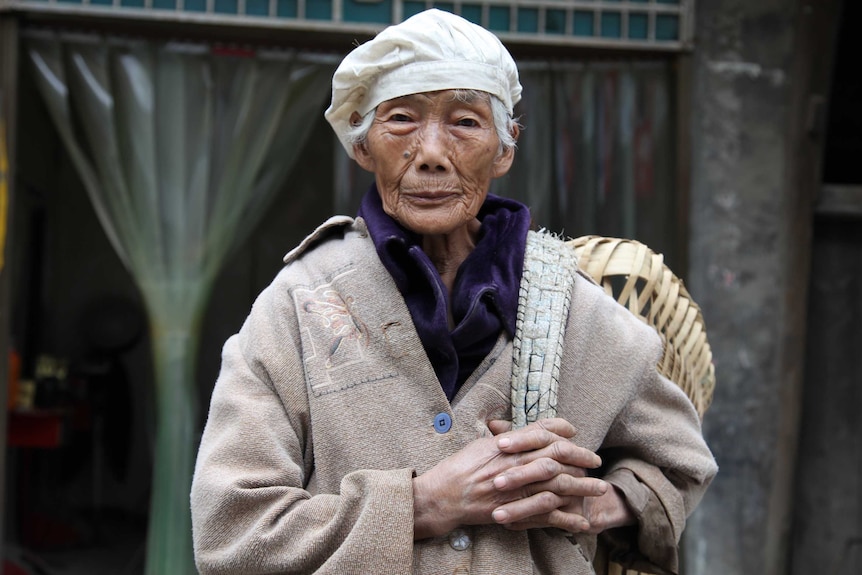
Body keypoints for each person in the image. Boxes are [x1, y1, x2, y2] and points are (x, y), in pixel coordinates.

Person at [190, 9, 717, 575]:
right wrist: (425, 504)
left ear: (505, 150)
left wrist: (599, 503)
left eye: (465, 122)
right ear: (363, 148)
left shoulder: (572, 308)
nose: (433, 152)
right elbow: (231, 529)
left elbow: (680, 462)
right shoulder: (301, 304)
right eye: (400, 120)